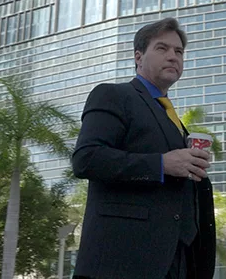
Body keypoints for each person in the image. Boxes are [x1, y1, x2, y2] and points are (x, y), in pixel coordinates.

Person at [71, 18, 217, 279]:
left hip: (178, 261)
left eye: (179, 51)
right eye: (162, 49)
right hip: (120, 263)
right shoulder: (113, 95)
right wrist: (161, 165)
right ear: (138, 57)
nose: (173, 56)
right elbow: (86, 158)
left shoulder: (175, 121)